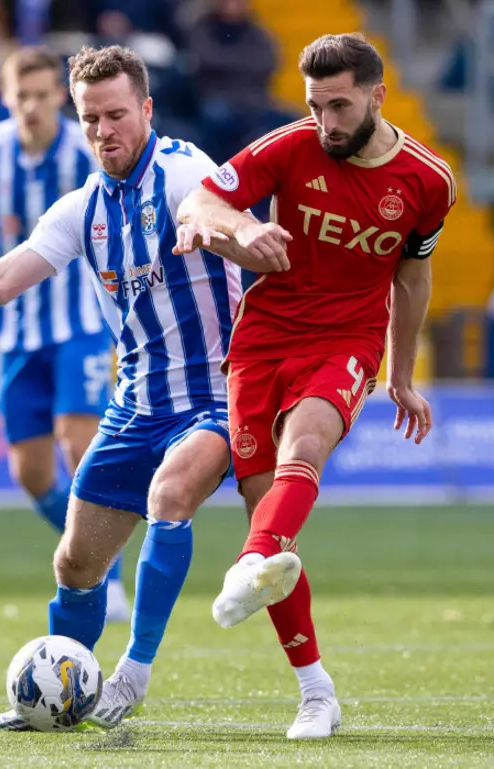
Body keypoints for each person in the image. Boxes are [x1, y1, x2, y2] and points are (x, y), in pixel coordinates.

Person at [0, 44, 301, 732]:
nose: (105, 130)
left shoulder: (181, 169)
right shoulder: (81, 209)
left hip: (214, 396)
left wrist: (246, 236)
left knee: (169, 493)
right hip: (136, 404)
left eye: (117, 115)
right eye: (91, 118)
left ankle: (134, 667)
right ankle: (49, 697)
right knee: (74, 561)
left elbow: (221, 209)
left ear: (147, 110)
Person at [176, 33, 456, 739]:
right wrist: (241, 225)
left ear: (377, 96)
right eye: (315, 105)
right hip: (262, 342)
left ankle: (247, 560)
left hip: (346, 341)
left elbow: (413, 276)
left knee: (306, 444)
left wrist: (402, 374)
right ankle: (316, 689)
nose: (326, 121)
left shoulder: (427, 182)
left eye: (340, 105)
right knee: (265, 511)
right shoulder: (290, 146)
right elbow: (201, 204)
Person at [0, 45, 129, 621]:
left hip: (80, 327)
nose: (31, 106)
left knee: (79, 447)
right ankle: (91, 550)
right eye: (20, 96)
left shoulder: (85, 150)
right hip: (17, 332)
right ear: (5, 98)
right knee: (30, 474)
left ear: (60, 99)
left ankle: (107, 573)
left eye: (42, 95)